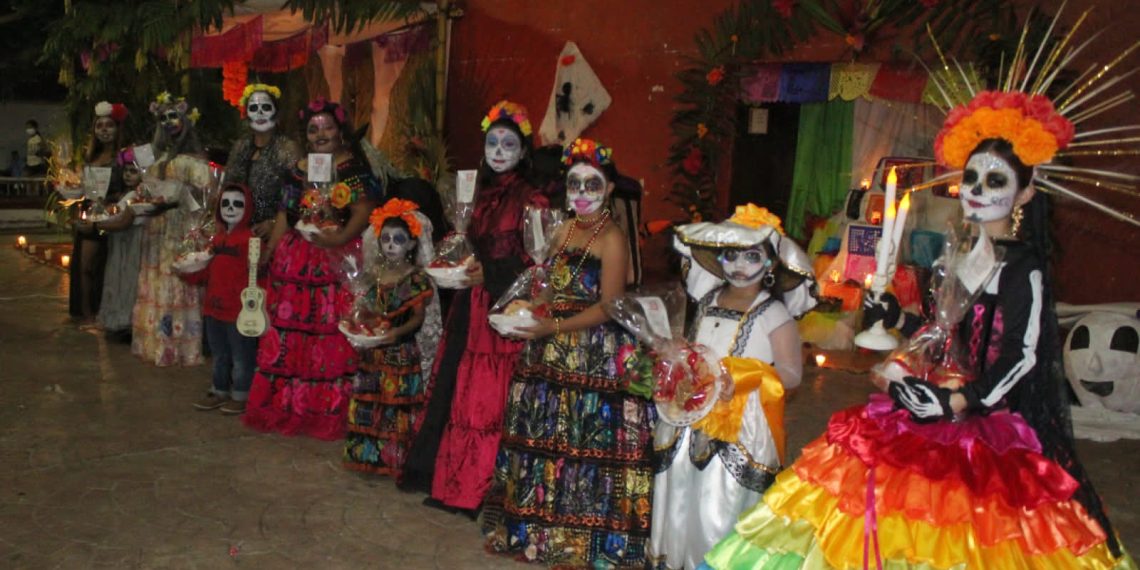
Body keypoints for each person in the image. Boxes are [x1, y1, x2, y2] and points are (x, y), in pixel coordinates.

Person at [699, 66, 1134, 570]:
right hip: (928, 402)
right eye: (971, 177)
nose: (976, 189)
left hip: (987, 424)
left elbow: (1022, 357)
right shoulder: (959, 255)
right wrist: (895, 322)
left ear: (1026, 192)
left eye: (995, 180)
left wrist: (955, 402)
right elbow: (940, 333)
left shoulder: (1023, 268)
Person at [482, 138, 655, 567]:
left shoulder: (612, 237)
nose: (580, 193)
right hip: (549, 342)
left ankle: (578, 542)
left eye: (591, 185)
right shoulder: (560, 228)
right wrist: (531, 307)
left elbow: (610, 306)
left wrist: (553, 325)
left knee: (580, 443)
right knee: (543, 438)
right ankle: (537, 530)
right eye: (574, 184)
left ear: (609, 189)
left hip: (592, 350)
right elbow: (551, 286)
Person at [400, 100, 552, 511]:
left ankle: (482, 491)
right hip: (472, 306)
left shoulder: (532, 198)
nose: (499, 150)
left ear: (523, 150)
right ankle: (456, 484)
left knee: (489, 398)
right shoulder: (479, 193)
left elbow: (536, 257)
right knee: (462, 393)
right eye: (492, 142)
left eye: (508, 143)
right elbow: (471, 243)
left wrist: (491, 272)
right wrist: (463, 261)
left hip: (505, 306)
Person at [649, 205, 816, 570]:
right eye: (730, 255)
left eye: (752, 255)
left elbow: (791, 374)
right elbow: (697, 346)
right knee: (683, 489)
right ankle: (677, 559)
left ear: (771, 263)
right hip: (692, 414)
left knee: (719, 500)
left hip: (741, 424)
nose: (740, 265)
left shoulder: (774, 314)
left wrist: (742, 377)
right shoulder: (706, 301)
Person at [243, 98, 383, 440]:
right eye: (313, 129)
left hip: (338, 257)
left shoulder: (352, 169)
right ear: (306, 137)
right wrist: (273, 251)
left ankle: (329, 409)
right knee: (291, 334)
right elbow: (285, 215)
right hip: (298, 258)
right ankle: (293, 405)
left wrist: (338, 240)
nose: (321, 134)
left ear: (340, 132)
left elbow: (364, 211)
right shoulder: (298, 170)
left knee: (333, 330)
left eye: (327, 127)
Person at [344, 198, 436, 476]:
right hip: (374, 351)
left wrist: (394, 332)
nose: (391, 245)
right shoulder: (374, 275)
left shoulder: (415, 278)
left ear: (410, 244)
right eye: (386, 239)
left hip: (399, 351)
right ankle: (368, 457)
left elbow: (418, 318)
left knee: (395, 408)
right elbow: (370, 310)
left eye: (398, 239)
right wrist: (359, 322)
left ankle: (396, 459)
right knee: (370, 401)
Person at [131, 92, 209, 367]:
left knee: (178, 283)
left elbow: (203, 198)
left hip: (180, 229)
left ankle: (179, 347)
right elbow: (146, 190)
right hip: (155, 229)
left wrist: (180, 199)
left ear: (185, 119)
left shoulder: (195, 160)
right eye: (162, 117)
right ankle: (155, 343)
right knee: (157, 280)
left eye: (173, 116)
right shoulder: (154, 158)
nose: (169, 122)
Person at [179, 182, 262, 415]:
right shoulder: (216, 240)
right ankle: (219, 390)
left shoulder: (250, 240)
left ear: (247, 208)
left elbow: (258, 276)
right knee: (219, 354)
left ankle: (241, 394)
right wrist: (189, 271)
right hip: (213, 308)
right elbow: (206, 270)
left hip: (239, 310)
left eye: (238, 204)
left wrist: (260, 306)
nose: (231, 208)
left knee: (241, 355)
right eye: (226, 203)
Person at [70, 101, 128, 324]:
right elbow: (83, 189)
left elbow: (135, 185)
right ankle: (86, 311)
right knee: (86, 266)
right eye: (99, 126)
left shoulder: (124, 157)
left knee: (111, 268)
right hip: (92, 217)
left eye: (109, 125)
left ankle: (109, 310)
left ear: (117, 129)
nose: (104, 130)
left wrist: (115, 200)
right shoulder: (89, 159)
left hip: (116, 218)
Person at [224, 83, 302, 238]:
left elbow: (299, 196)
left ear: (276, 113)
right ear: (246, 114)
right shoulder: (240, 146)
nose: (259, 113)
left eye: (265, 107)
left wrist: (274, 223)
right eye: (253, 108)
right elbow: (226, 187)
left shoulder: (288, 149)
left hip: (275, 236)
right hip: (238, 231)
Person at [86, 147, 145, 343]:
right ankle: (119, 321)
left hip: (131, 244)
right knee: (118, 280)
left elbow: (123, 221)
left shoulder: (137, 196)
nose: (128, 175)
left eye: (134, 171)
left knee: (128, 282)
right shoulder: (126, 194)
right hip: (120, 243)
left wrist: (95, 225)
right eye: (126, 171)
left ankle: (127, 322)